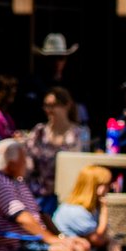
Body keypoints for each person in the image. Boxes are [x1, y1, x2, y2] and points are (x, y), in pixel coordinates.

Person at [25, 86, 91, 215]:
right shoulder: (39, 131)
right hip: (39, 196)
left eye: (53, 105)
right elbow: (28, 162)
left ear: (67, 105)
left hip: (68, 196)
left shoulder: (80, 133)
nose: (49, 110)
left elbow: (81, 164)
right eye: (46, 105)